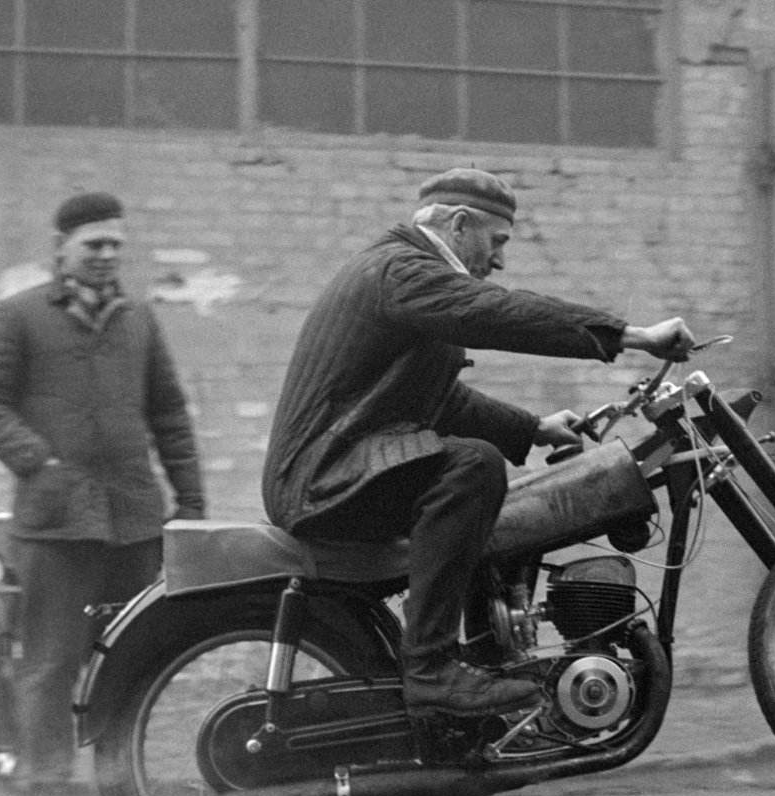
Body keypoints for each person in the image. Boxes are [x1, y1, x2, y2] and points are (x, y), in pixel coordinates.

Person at [261, 168, 694, 719]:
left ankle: (489, 669)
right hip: (322, 479)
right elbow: (497, 312)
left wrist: (534, 428)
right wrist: (630, 335)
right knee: (473, 469)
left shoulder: (403, 278)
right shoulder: (402, 270)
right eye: (497, 242)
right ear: (461, 224)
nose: (500, 261)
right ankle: (432, 672)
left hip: (336, 469)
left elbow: (444, 401)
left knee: (488, 497)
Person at [0, 192, 206, 796]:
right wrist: (37, 462)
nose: (106, 255)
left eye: (115, 245)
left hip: (134, 522)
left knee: (136, 657)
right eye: (93, 244)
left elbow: (169, 414)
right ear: (60, 248)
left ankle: (121, 780)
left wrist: (192, 504)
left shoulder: (140, 319)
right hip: (54, 525)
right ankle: (45, 786)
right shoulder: (18, 316)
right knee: (49, 663)